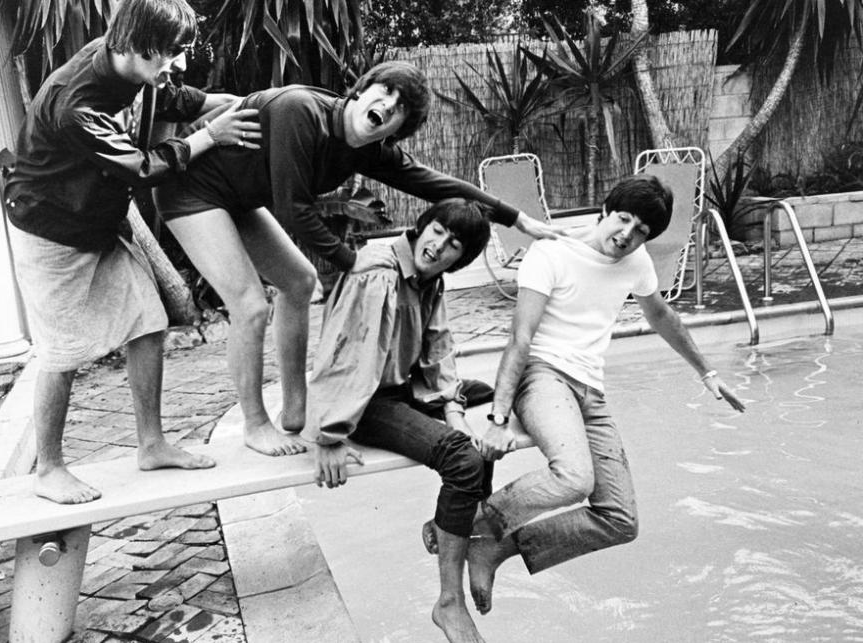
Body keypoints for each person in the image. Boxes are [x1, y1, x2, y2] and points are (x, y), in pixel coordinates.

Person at [154, 60, 562, 458]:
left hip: (237, 198)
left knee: (298, 282)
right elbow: (293, 208)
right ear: (362, 89)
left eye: (400, 108)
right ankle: (256, 424)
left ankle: (296, 409)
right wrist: (350, 260)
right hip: (191, 191)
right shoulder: (300, 110)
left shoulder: (369, 149)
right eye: (385, 91)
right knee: (249, 305)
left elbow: (434, 182)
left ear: (399, 129)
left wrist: (516, 217)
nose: (387, 105)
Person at [3, 0, 261, 504]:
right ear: (133, 43)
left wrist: (243, 104)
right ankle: (49, 470)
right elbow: (142, 167)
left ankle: (152, 444)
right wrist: (211, 136)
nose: (175, 64)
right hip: (51, 229)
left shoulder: (138, 65)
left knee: (148, 321)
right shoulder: (73, 100)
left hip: (100, 218)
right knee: (61, 352)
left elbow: (177, 98)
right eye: (167, 53)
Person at [463, 175, 747, 614]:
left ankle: (495, 549)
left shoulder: (636, 263)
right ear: (605, 210)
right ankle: (470, 525)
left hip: (589, 391)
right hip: (543, 376)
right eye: (624, 219)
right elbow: (520, 337)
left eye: (641, 232)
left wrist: (707, 373)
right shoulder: (552, 252)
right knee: (574, 478)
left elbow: (661, 315)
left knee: (620, 519)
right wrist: (499, 419)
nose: (627, 235)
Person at [303, 199, 497, 643]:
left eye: (453, 244)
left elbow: (438, 348)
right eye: (437, 231)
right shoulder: (379, 273)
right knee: (463, 460)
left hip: (397, 387)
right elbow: (345, 355)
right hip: (363, 401)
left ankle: (455, 524)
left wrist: (453, 409)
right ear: (422, 226)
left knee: (484, 402)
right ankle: (449, 603)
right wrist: (329, 433)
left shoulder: (429, 280)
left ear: (459, 258)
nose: (439, 246)